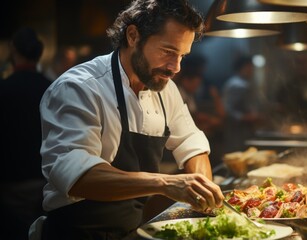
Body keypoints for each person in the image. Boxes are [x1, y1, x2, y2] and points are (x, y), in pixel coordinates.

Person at [29, 1, 224, 239]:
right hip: (77, 232)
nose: (176, 68)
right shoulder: (79, 87)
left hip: (131, 231)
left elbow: (191, 143)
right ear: (133, 36)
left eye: (182, 55)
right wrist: (164, 182)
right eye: (168, 52)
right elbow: (78, 177)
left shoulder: (165, 89)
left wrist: (200, 190)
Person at [0, 27, 51, 240]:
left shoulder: (5, 89)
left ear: (14, 52)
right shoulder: (52, 87)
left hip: (14, 180)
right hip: (48, 178)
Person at [174, 55, 225, 167]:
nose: (196, 87)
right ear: (186, 80)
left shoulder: (189, 94)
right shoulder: (177, 92)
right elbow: (189, 117)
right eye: (195, 84)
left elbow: (195, 114)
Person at [222, 55, 264, 153]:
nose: (252, 70)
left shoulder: (243, 83)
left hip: (244, 131)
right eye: (250, 67)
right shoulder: (236, 85)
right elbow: (227, 110)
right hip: (236, 132)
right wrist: (245, 117)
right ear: (242, 68)